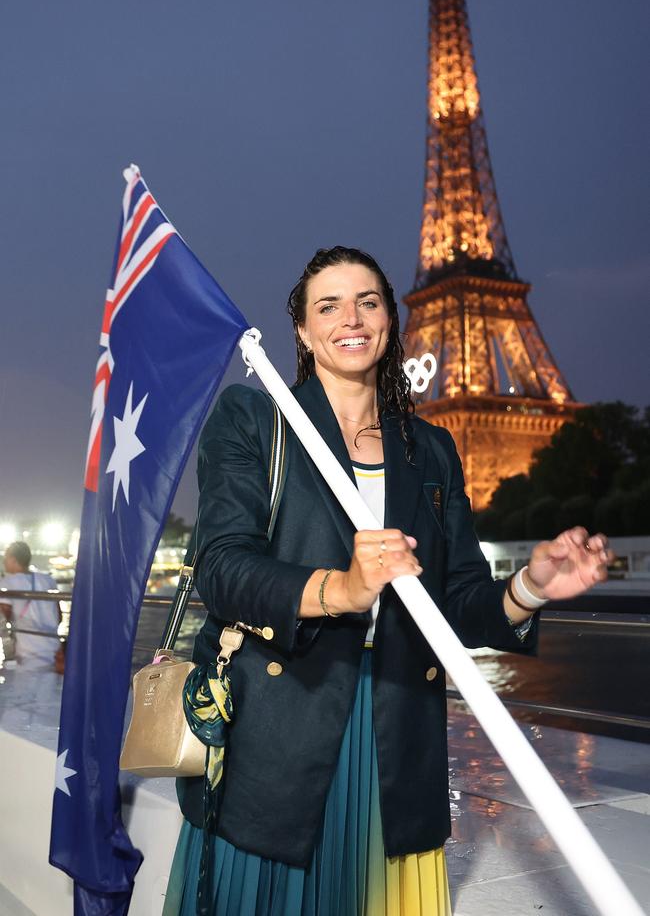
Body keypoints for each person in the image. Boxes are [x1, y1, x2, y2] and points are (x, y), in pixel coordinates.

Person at [163, 247, 612, 916]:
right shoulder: (255, 422)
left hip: (397, 729)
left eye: (368, 301)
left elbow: (456, 601)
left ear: (390, 322)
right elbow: (224, 566)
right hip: (283, 727)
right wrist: (341, 589)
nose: (351, 317)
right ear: (303, 332)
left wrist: (533, 586)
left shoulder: (429, 448)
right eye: (329, 305)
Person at [1, 541, 61, 670]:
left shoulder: (7, 583)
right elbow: (59, 616)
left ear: (12, 560)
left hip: (28, 654)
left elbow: (2, 618)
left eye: (5, 559)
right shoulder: (47, 580)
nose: (4, 562)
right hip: (54, 651)